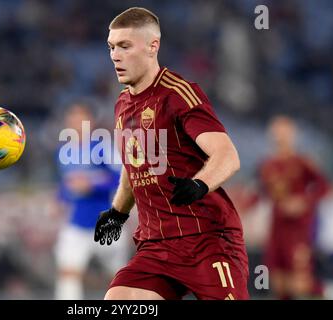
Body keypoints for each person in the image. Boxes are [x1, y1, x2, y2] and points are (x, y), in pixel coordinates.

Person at [94, 7, 249, 300]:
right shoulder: (122, 104)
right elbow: (134, 166)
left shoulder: (178, 94)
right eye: (112, 47)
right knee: (118, 299)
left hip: (206, 240)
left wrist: (199, 184)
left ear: (153, 46)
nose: (115, 55)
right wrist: (118, 212)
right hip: (156, 246)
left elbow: (227, 155)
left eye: (125, 46)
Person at [54, 103, 128, 300]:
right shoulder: (63, 152)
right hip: (77, 222)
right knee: (68, 272)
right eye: (72, 117)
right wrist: (59, 199)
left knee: (118, 276)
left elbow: (121, 177)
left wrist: (91, 184)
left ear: (91, 121)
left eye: (80, 117)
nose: (75, 122)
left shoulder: (102, 147)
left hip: (106, 220)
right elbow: (66, 184)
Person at [258, 115, 330, 299]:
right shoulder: (266, 165)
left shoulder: (302, 161)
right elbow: (262, 193)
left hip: (297, 228)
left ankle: (324, 292)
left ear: (293, 134)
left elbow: (323, 186)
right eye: (276, 131)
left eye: (284, 131)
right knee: (278, 282)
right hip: (277, 227)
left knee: (300, 281)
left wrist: (303, 202)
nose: (280, 136)